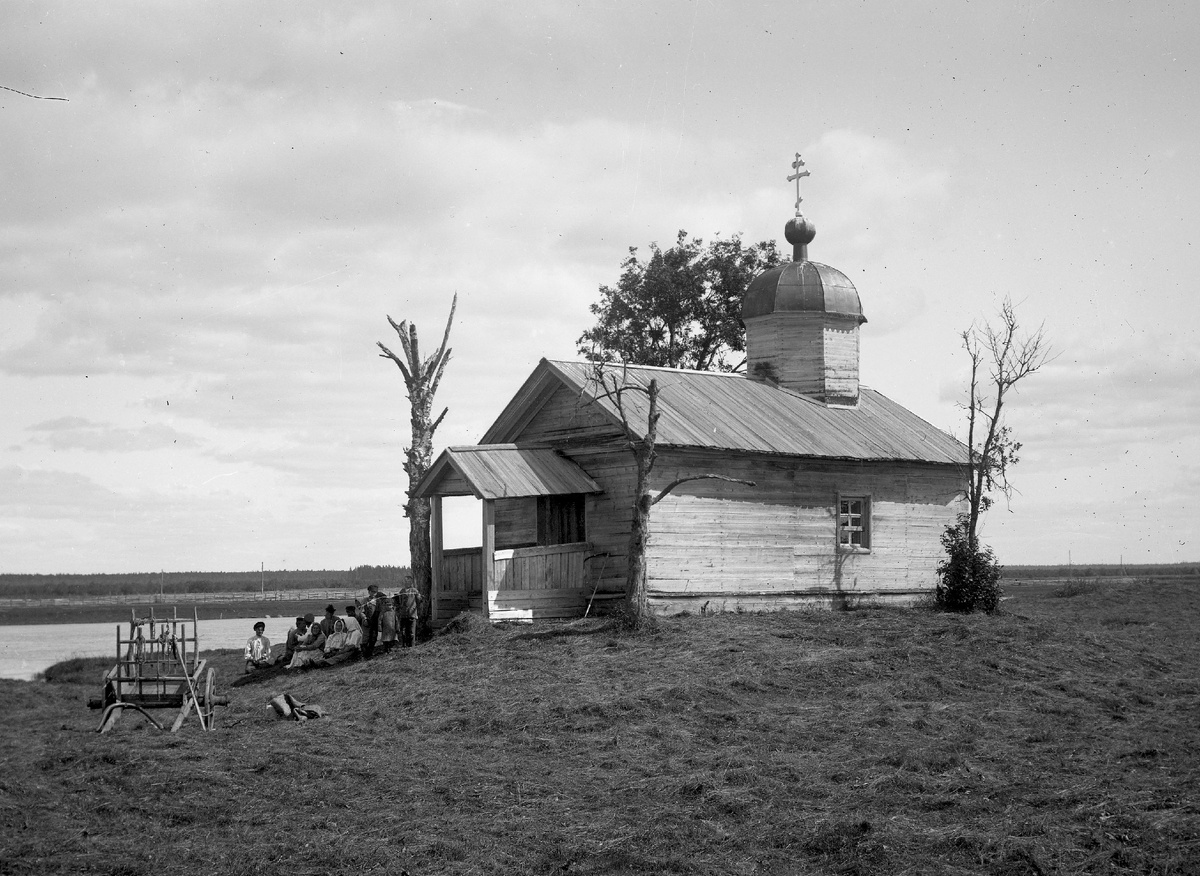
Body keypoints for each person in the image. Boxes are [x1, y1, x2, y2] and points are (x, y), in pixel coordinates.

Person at [396, 575, 424, 648]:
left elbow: (419, 600)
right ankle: (404, 646)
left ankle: (411, 647)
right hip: (403, 614)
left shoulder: (414, 591)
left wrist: (420, 597)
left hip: (412, 614)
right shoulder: (402, 591)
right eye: (405, 581)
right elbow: (398, 602)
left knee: (411, 632)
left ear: (411, 582)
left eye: (408, 581)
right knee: (403, 631)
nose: (407, 582)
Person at [377, 589, 398, 654]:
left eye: (390, 605)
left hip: (392, 629)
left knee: (392, 639)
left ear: (392, 605)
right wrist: (379, 627)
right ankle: (386, 650)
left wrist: (397, 627)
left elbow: (396, 621)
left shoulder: (394, 613)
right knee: (386, 640)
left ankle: (391, 649)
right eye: (388, 605)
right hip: (385, 629)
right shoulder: (383, 612)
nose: (389, 606)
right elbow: (379, 620)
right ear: (385, 605)